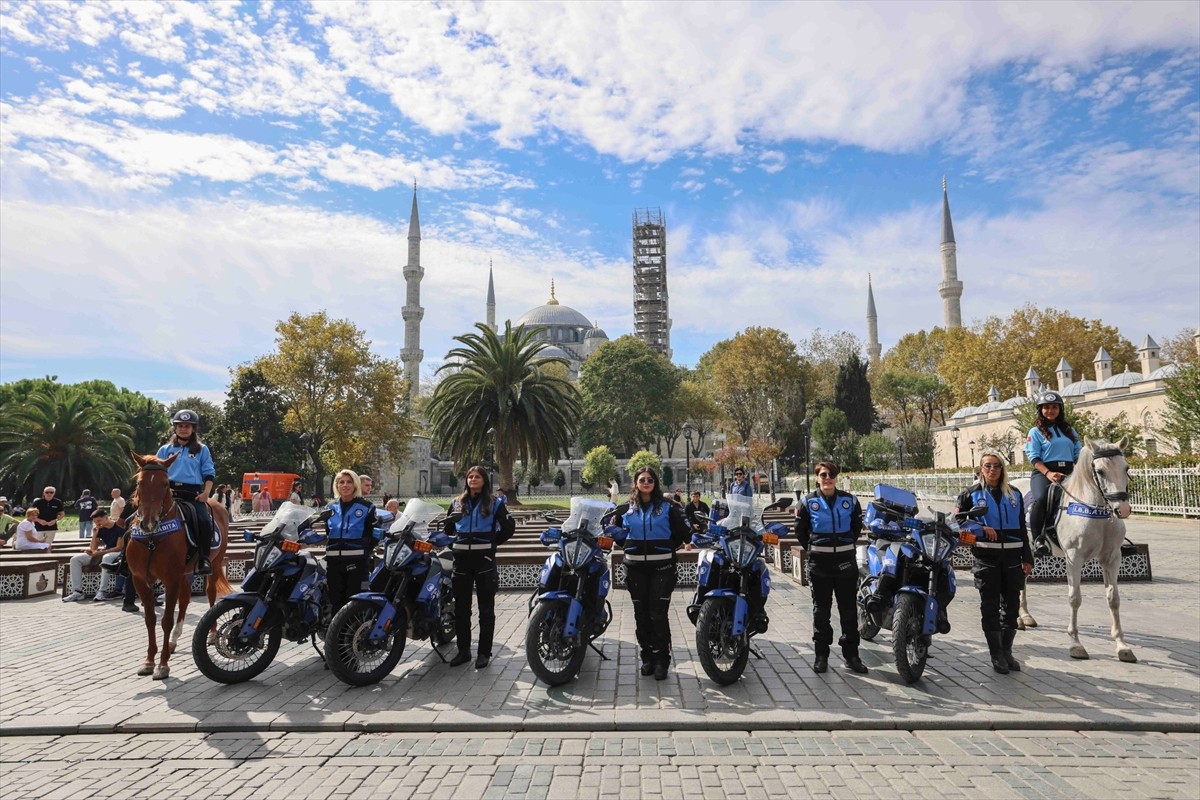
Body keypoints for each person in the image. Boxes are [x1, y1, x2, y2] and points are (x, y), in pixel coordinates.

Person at [955, 451, 1032, 674]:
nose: (992, 470)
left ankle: (1007, 651)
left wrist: (1027, 558)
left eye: (996, 466)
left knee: (1011, 608)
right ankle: (996, 654)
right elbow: (958, 524)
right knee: (989, 607)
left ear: (1002, 469)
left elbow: (1021, 529)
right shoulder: (969, 494)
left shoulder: (1014, 495)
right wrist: (979, 528)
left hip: (1012, 558)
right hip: (986, 559)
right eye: (987, 466)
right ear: (980, 469)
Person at [794, 461, 868, 675]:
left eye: (832, 474)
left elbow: (855, 528)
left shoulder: (850, 501)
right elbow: (800, 531)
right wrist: (815, 547)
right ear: (817, 478)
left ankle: (852, 656)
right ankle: (821, 656)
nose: (828, 478)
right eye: (823, 474)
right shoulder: (807, 502)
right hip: (820, 564)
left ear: (837, 477)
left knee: (848, 611)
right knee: (821, 611)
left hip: (846, 563)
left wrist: (844, 545)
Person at [618, 467, 691, 680]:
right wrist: (622, 540)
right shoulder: (627, 508)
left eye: (650, 479)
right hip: (635, 568)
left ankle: (662, 660)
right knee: (641, 614)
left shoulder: (669, 506)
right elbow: (616, 531)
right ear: (636, 483)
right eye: (642, 479)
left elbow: (684, 531)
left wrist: (669, 548)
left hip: (663, 568)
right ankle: (647, 658)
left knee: (658, 614)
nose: (646, 482)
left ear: (655, 483)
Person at [446, 466, 515, 668]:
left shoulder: (494, 503)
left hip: (484, 560)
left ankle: (484, 653)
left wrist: (493, 543)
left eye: (477, 477)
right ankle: (463, 651)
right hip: (461, 560)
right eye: (470, 477)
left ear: (484, 481)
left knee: (486, 609)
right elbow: (447, 527)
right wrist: (453, 544)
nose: (473, 479)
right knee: (461, 608)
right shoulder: (457, 503)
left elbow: (509, 527)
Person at [156, 409, 216, 575]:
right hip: (167, 493)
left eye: (187, 426)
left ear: (194, 429)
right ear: (175, 428)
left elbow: (209, 471)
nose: (183, 429)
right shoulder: (164, 450)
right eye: (180, 426)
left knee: (204, 521)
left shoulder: (202, 449)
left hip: (192, 495)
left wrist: (206, 493)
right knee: (134, 516)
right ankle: (123, 559)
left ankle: (204, 559)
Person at [1025, 390, 1082, 558]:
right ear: (1040, 410)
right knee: (1042, 498)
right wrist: (1049, 473)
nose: (1050, 411)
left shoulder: (1069, 430)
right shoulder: (1035, 432)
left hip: (1070, 472)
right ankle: (1039, 540)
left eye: (1054, 407)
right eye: (1046, 407)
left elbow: (1079, 453)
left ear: (1060, 409)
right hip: (1044, 472)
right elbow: (1033, 457)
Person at [325, 469, 377, 617]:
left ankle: (353, 636)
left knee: (354, 601)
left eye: (349, 482)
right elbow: (328, 533)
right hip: (333, 562)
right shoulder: (330, 508)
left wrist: (365, 550)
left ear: (355, 485)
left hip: (357, 562)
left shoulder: (367, 507)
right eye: (341, 482)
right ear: (336, 485)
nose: (345, 485)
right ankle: (333, 637)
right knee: (335, 600)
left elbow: (373, 534)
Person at [62, 509, 125, 602]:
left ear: (106, 518)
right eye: (95, 522)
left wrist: (100, 553)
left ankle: (102, 591)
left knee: (106, 558)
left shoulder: (119, 528)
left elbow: (119, 547)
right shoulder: (100, 529)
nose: (97, 523)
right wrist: (95, 535)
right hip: (104, 552)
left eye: (99, 520)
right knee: (74, 559)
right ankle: (78, 592)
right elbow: (93, 548)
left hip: (117, 553)